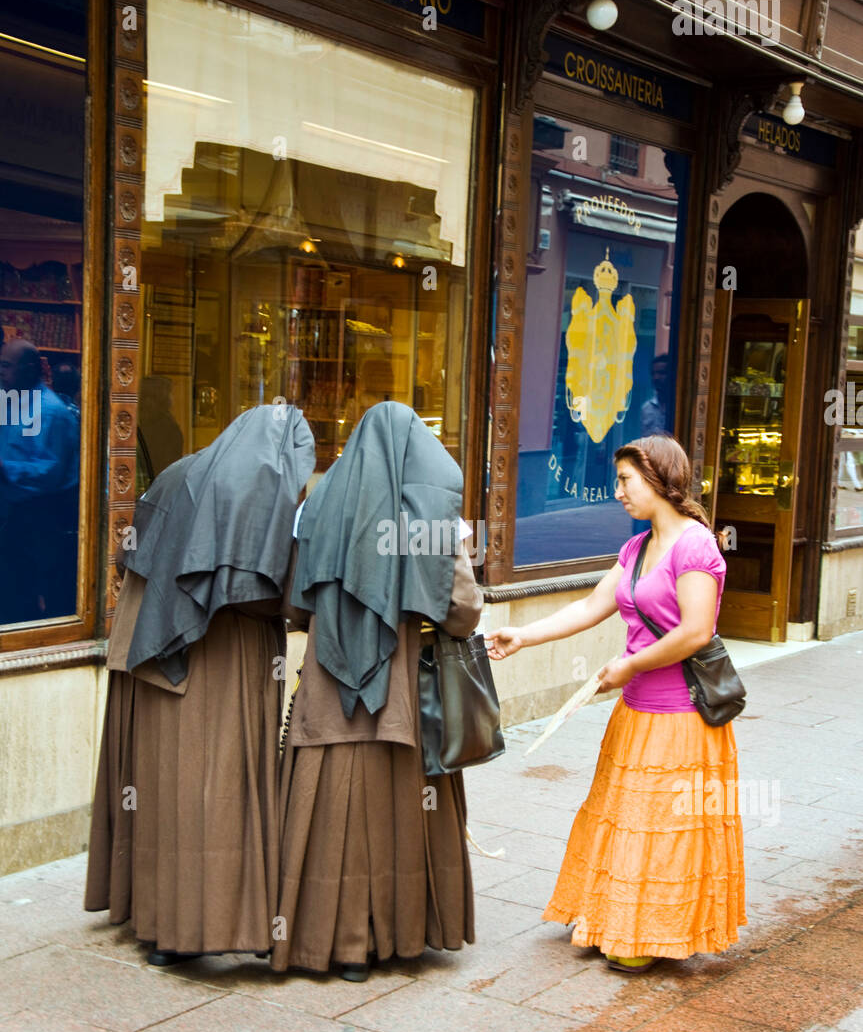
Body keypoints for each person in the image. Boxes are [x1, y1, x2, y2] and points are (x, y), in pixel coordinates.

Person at [488, 434, 745, 973]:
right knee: (629, 819)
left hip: (682, 718)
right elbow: (589, 606)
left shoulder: (695, 546)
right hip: (636, 713)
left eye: (626, 479)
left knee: (664, 828)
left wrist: (629, 665)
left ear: (658, 480)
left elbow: (697, 631)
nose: (618, 491)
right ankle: (617, 918)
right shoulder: (635, 549)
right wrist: (523, 636)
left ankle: (649, 933)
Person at [84, 404, 316, 966]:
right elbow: (281, 598)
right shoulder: (266, 499)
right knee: (217, 792)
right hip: (227, 662)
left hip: (149, 654)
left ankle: (155, 922)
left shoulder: (176, 474)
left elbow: (127, 556)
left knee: (158, 791)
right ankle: (200, 929)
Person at [273, 401, 483, 981]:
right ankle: (388, 936)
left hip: (324, 679)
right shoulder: (432, 516)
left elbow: (294, 603)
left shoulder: (317, 507)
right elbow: (462, 612)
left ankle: (321, 939)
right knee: (395, 803)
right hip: (400, 684)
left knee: (326, 804)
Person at [0, 337, 80, 623]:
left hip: (39, 518)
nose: (1, 371)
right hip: (12, 513)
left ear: (30, 368)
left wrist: (5, 469)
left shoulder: (50, 412)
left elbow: (50, 472)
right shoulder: (9, 399)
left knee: (24, 598)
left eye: (7, 366)